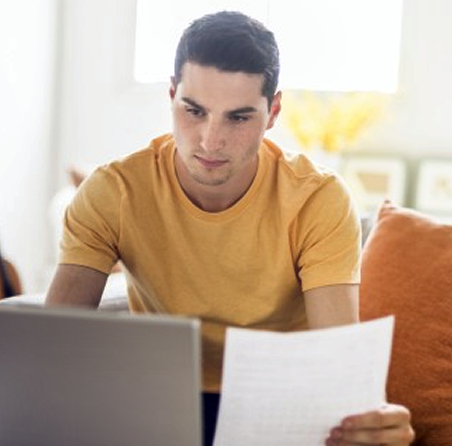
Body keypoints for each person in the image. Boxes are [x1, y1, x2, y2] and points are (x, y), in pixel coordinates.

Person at [46, 10, 414, 446]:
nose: (210, 140)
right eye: (194, 111)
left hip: (281, 407)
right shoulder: (114, 191)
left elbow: (335, 363)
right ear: (171, 94)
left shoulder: (318, 199)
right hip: (161, 400)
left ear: (273, 110)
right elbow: (53, 349)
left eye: (238, 118)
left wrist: (368, 427)